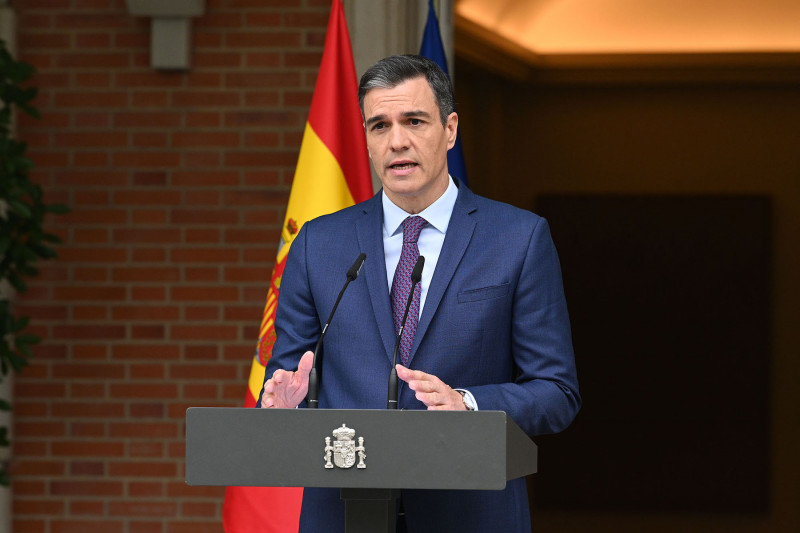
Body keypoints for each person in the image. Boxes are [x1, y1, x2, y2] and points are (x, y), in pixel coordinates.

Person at [258, 54, 580, 533]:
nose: (397, 141)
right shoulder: (317, 243)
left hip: (470, 513)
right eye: (379, 126)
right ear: (367, 140)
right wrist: (284, 403)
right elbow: (291, 372)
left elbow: (556, 392)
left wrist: (467, 404)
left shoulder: (518, 238)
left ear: (450, 130)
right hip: (344, 514)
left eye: (414, 121)